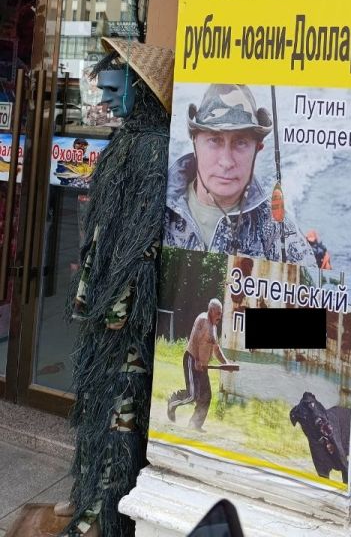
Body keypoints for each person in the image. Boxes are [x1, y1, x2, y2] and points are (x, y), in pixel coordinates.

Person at [55, 37, 174, 537]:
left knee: (117, 410)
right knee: (96, 401)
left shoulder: (152, 148)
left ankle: (103, 511)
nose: (106, 99)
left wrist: (116, 299)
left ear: (140, 89)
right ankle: (87, 496)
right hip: (107, 296)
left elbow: (144, 237)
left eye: (114, 88)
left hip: (123, 307)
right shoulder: (130, 142)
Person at [165, 83, 316, 265]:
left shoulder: (280, 232)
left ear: (257, 149)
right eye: (214, 140)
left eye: (240, 142)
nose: (226, 162)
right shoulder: (156, 208)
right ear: (194, 142)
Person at [166, 298, 230, 431]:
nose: (220, 316)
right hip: (191, 360)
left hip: (203, 367)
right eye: (218, 313)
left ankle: (195, 424)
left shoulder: (213, 327)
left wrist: (226, 364)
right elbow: (194, 339)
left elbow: (216, 350)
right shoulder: (202, 320)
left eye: (221, 313)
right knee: (192, 395)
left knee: (206, 396)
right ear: (211, 310)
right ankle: (173, 401)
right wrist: (196, 359)